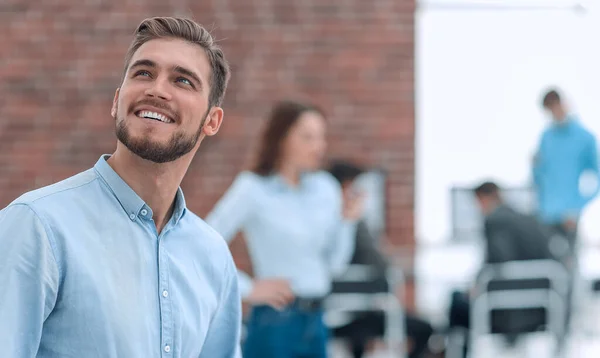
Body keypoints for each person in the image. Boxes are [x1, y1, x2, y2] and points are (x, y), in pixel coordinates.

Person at [0, 17, 241, 358]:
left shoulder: (213, 256)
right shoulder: (37, 227)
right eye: (143, 73)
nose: (157, 89)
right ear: (117, 101)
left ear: (212, 121)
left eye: (182, 80)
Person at [205, 100, 364, 358]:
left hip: (318, 320)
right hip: (275, 323)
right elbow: (205, 243)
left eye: (321, 137)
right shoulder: (253, 188)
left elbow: (335, 265)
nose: (319, 146)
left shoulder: (326, 188)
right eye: (308, 137)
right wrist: (247, 288)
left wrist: (348, 222)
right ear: (282, 140)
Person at [327, 160, 434, 358]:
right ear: (347, 188)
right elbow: (381, 264)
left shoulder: (322, 223)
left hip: (328, 315)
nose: (363, 195)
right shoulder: (354, 226)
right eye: (358, 188)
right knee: (424, 328)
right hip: (354, 315)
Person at [448, 181, 559, 355]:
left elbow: (498, 260)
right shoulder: (530, 219)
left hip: (505, 308)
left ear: (483, 199)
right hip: (541, 307)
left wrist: (478, 285)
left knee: (457, 301)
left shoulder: (495, 221)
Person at [534, 88, 599, 249]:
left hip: (568, 218)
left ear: (564, 103)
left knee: (567, 266)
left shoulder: (585, 137)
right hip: (545, 216)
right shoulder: (546, 137)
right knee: (545, 265)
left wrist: (577, 206)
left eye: (555, 106)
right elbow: (538, 177)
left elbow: (597, 176)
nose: (553, 112)